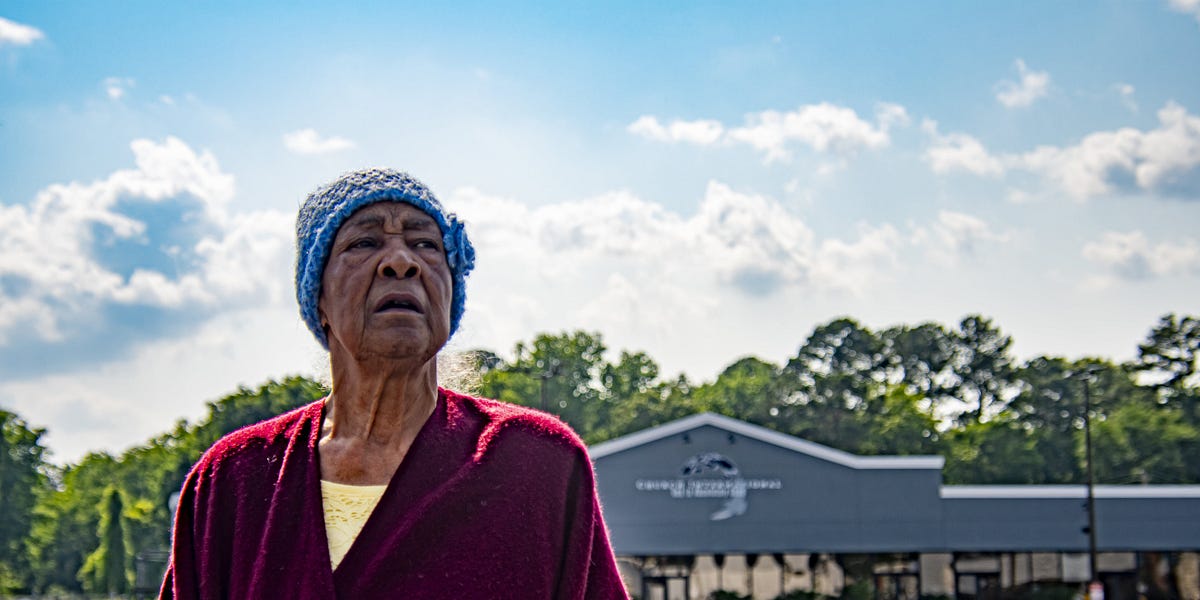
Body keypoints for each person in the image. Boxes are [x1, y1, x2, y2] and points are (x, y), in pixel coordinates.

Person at [160, 168, 628, 599]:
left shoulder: (537, 464)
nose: (400, 262)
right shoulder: (234, 482)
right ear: (317, 297)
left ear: (451, 292)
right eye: (363, 243)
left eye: (425, 244)